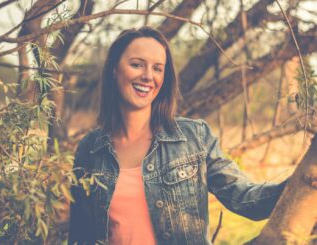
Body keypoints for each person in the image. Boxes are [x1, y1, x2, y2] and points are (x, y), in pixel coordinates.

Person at [68, 26, 287, 245]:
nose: (147, 76)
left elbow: (248, 200)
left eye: (157, 69)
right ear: (114, 70)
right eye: (136, 65)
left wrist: (302, 183)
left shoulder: (193, 138)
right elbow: (80, 237)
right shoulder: (90, 149)